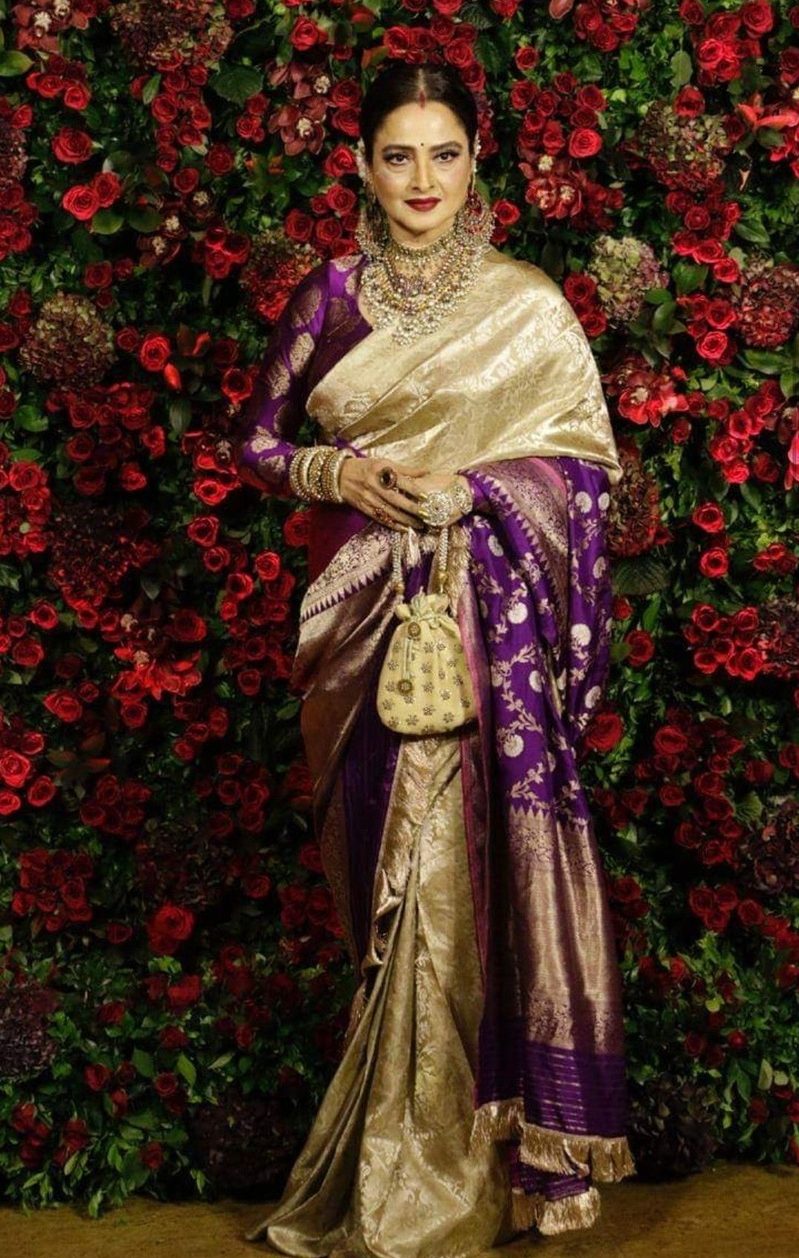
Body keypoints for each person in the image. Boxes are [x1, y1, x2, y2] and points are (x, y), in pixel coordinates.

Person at [235, 59, 636, 1258]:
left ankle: (472, 1171)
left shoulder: (526, 305)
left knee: (464, 873)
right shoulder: (331, 295)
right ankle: (391, 1168)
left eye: (444, 154)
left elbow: (585, 469)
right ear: (362, 165)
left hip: (483, 632)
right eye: (398, 155)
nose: (422, 179)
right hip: (361, 623)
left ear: (473, 164)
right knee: (388, 899)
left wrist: (482, 489)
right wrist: (340, 471)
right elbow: (255, 440)